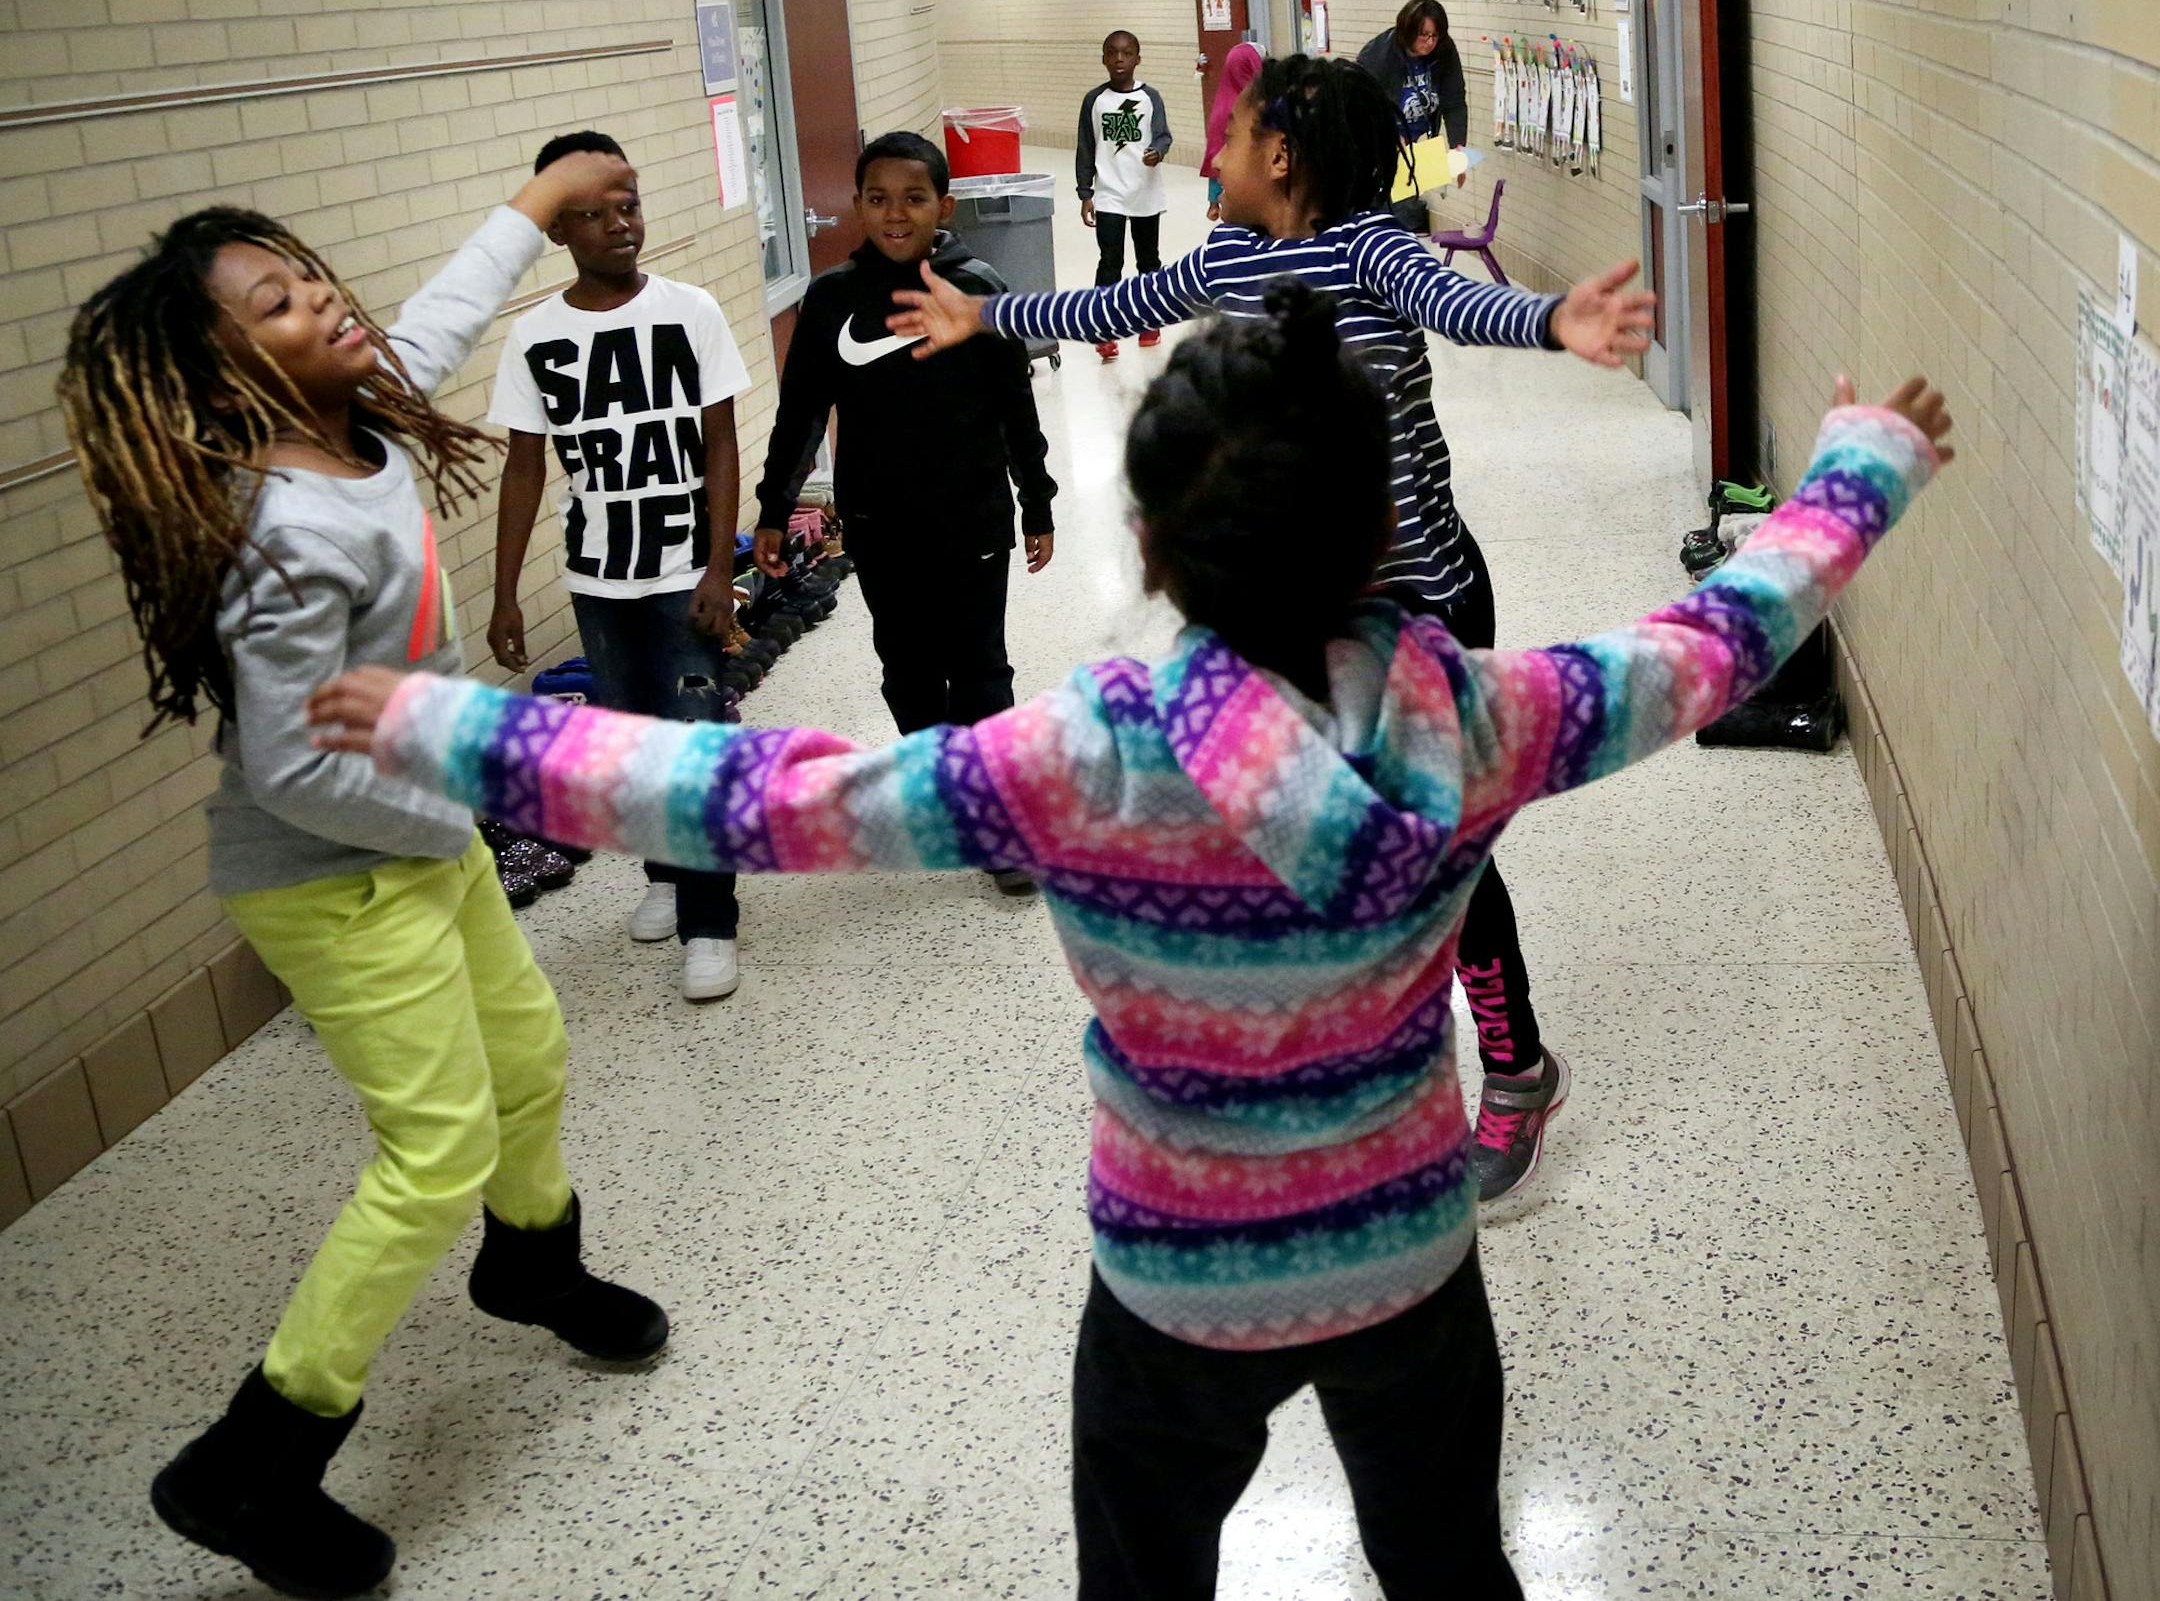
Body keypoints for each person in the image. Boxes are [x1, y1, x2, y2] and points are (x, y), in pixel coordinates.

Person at [313, 291, 1953, 1601]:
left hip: (1175, 1283)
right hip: (1406, 1262)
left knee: (1145, 1575)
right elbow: (1717, 641)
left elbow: (757, 793)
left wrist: (458, 733)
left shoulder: (1079, 757)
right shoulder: (1493, 717)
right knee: (1451, 1564)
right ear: (1387, 531)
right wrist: (1862, 465)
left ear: (1151, 551)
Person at [55, 154, 671, 1601]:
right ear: (224, 371)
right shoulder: (277, 530)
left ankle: (531, 1262)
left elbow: (444, 317)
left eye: (313, 275)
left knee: (527, 1052)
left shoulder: (357, 420)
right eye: (278, 302)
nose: (325, 301)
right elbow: (290, 769)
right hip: (330, 870)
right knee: (435, 1146)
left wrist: (538, 201)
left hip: (415, 826)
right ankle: (253, 1459)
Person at [889, 52, 1652, 1201]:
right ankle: (1360, 1048)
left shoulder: (1372, 246)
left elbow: (1464, 302)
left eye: (1233, 133)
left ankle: (1514, 1065)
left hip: (1420, 604)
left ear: (1282, 154)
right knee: (1324, 837)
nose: (1216, 152)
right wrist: (990, 313)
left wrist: (1552, 320)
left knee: (1451, 855)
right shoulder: (1234, 255)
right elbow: (1114, 303)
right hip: (1302, 617)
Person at [750, 131, 1057, 900]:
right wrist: (773, 511)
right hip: (880, 523)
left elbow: (1015, 406)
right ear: (856, 204)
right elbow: (799, 418)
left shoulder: (977, 285)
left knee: (982, 666)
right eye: (878, 198)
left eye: (914, 198)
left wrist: (1037, 500)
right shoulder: (831, 301)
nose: (895, 213)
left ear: (943, 206)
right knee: (910, 668)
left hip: (975, 517)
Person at [486, 129, 755, 1002]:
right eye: (591, 215)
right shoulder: (535, 337)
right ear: (557, 232)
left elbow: (721, 443)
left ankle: (710, 921)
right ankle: (666, 876)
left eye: (628, 206)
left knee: (695, 741)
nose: (617, 226)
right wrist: (502, 596)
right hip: (600, 576)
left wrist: (720, 567)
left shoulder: (691, 311)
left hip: (686, 571)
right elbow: (525, 465)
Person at [1077, 29, 1175, 360]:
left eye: (1127, 53)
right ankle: (1104, 328)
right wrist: (1085, 192)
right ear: (1104, 58)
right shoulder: (1094, 100)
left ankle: (1150, 321)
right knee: (1110, 261)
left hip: (1145, 192)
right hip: (1109, 194)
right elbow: (1085, 147)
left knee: (1148, 260)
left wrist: (1157, 152)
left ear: (1138, 59)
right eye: (1112, 53)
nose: (1119, 59)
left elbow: (1163, 136)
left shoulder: (1151, 97)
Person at [1357, 0, 1469, 233]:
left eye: (1435, 36)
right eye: (1423, 35)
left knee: (1405, 214)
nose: (1429, 43)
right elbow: (1362, 106)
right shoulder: (1378, 55)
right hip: (1381, 149)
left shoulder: (1444, 52)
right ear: (1407, 30)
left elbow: (1454, 102)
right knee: (1383, 218)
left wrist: (1459, 149)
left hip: (1416, 149)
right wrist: (1389, 135)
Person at [1201, 41, 1264, 221]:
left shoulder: (1222, 99)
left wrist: (1213, 200)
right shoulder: (1252, 103)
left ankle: (1215, 202)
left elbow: (1213, 154)